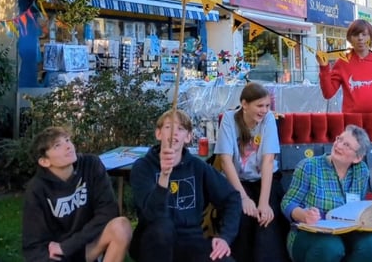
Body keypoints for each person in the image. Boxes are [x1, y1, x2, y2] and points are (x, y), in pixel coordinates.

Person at [130, 109, 242, 262]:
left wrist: (225, 237)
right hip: (154, 241)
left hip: (191, 241)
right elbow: (151, 216)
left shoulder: (198, 167)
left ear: (188, 137)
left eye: (180, 129)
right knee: (162, 229)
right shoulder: (143, 167)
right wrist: (164, 176)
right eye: (168, 127)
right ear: (158, 133)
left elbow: (232, 198)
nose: (173, 133)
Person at [22, 126, 133, 262]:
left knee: (122, 226)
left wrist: (67, 246)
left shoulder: (91, 165)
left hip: (86, 246)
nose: (68, 146)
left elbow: (108, 211)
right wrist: (60, 252)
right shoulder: (37, 189)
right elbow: (33, 246)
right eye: (58, 145)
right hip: (57, 257)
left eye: (67, 140)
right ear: (45, 161)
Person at [281, 125, 372, 262]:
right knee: (331, 247)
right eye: (339, 139)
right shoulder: (309, 166)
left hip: (347, 231)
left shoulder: (362, 171)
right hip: (310, 233)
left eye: (347, 145)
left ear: (357, 158)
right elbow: (287, 202)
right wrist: (304, 215)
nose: (338, 145)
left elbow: (357, 208)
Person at [214, 82, 290, 262]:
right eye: (259, 106)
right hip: (237, 180)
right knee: (243, 215)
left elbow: (268, 161)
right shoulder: (229, 119)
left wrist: (263, 203)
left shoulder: (269, 119)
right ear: (245, 104)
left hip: (265, 178)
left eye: (267, 106)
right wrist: (242, 197)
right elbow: (226, 161)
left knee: (267, 218)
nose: (264, 110)